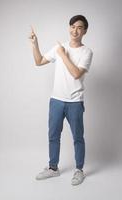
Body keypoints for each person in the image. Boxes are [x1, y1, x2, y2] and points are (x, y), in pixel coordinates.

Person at [29, 15, 93, 186]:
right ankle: (53, 168)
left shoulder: (86, 52)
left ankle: (79, 170)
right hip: (56, 100)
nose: (75, 30)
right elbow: (39, 61)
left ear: (84, 31)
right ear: (69, 28)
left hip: (75, 102)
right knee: (53, 135)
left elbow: (76, 73)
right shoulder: (60, 47)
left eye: (79, 27)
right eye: (72, 26)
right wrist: (35, 44)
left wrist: (62, 54)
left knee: (78, 137)